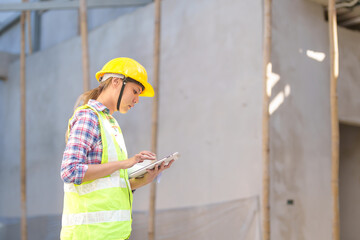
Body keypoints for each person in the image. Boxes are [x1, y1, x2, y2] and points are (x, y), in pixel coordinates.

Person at [60, 57, 173, 240]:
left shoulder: (110, 124)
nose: (136, 100)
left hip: (112, 234)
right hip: (89, 235)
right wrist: (125, 163)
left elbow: (109, 185)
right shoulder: (89, 117)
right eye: (135, 91)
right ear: (116, 82)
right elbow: (70, 171)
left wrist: (144, 179)